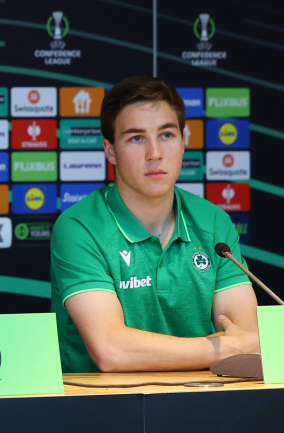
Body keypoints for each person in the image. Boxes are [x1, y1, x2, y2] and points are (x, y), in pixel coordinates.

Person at [50, 76, 259, 373]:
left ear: (184, 141)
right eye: (136, 138)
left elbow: (246, 342)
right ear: (110, 151)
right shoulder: (79, 227)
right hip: (103, 401)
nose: (155, 153)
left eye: (167, 135)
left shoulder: (213, 222)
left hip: (202, 396)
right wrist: (223, 348)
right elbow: (111, 351)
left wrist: (234, 347)